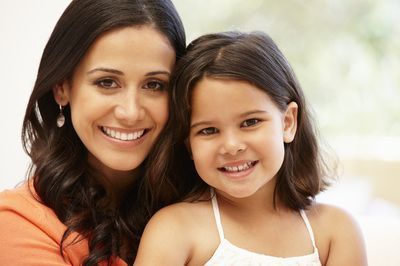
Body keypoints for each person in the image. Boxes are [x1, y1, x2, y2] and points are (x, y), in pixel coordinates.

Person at [134, 31, 368, 265]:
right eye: (208, 130)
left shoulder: (336, 233)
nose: (232, 146)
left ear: (288, 122)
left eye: (250, 122)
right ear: (188, 144)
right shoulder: (174, 230)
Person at [0, 0, 186, 265]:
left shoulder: (208, 204)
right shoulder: (20, 222)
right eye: (107, 82)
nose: (130, 112)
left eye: (154, 85)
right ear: (61, 88)